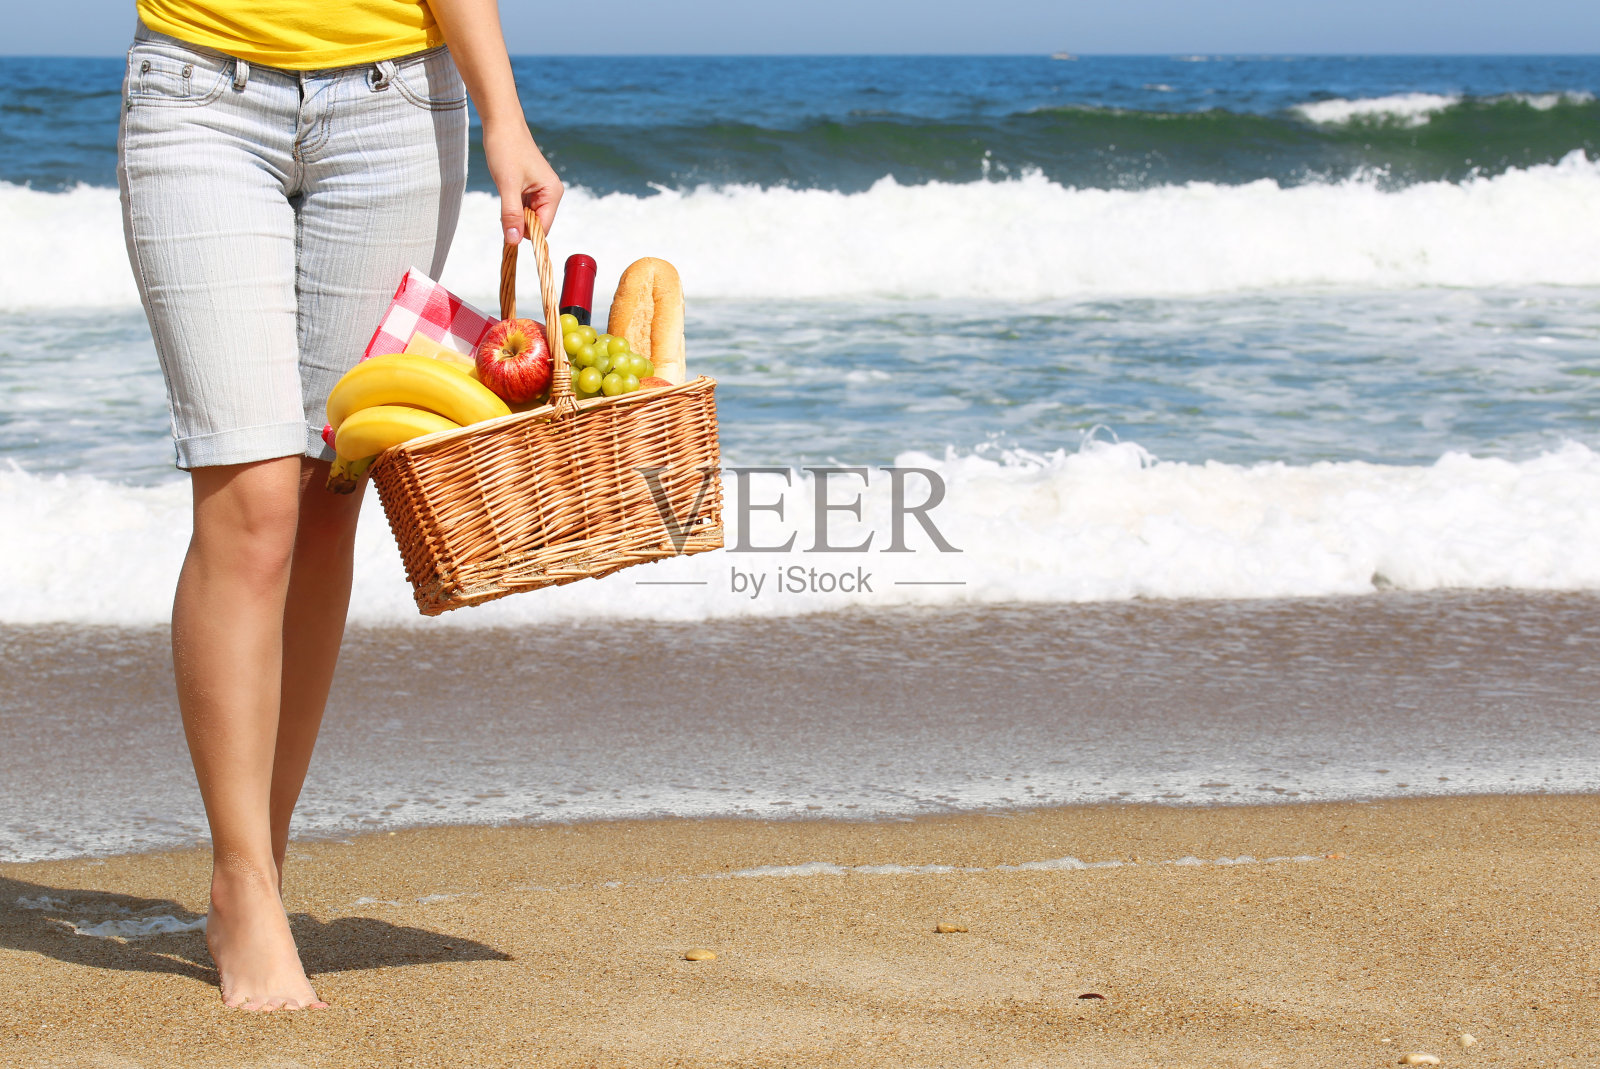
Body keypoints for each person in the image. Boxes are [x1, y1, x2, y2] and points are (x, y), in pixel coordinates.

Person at [117, 0, 561, 1011]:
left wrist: (503, 114)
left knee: (329, 492)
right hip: (198, 97)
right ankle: (241, 885)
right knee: (252, 494)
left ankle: (257, 872)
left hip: (396, 106)